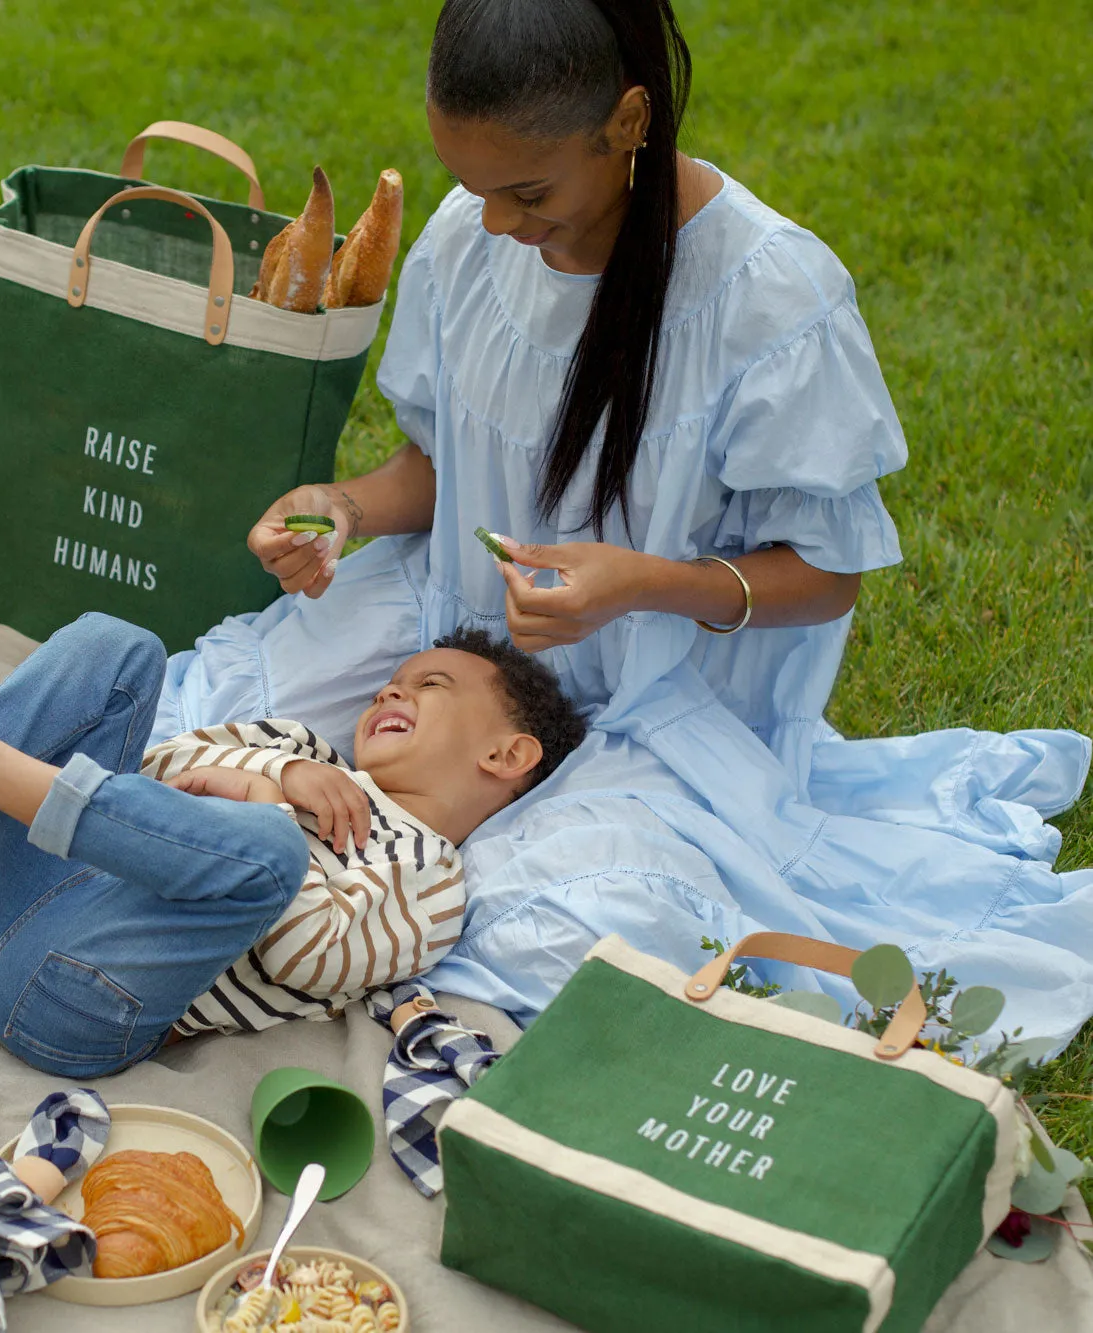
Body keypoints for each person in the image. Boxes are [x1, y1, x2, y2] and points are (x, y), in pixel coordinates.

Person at [151, 0, 1093, 1046]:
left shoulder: (771, 298)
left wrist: (641, 584)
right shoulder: (471, 241)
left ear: (630, 121)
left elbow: (825, 576)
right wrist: (344, 507)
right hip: (454, 639)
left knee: (579, 924)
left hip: (665, 698)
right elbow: (440, 464)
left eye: (528, 191)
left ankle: (351, 924)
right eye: (474, 188)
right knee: (207, 722)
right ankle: (339, 919)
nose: (497, 224)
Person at [0, 615, 588, 1076]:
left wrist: (265, 808)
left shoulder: (431, 881)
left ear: (506, 756)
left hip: (75, 999)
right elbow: (150, 774)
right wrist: (281, 768)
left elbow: (308, 958)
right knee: (119, 648)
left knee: (268, 856)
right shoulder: (298, 746)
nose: (392, 690)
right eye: (392, 681)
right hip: (17, 897)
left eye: (430, 686)